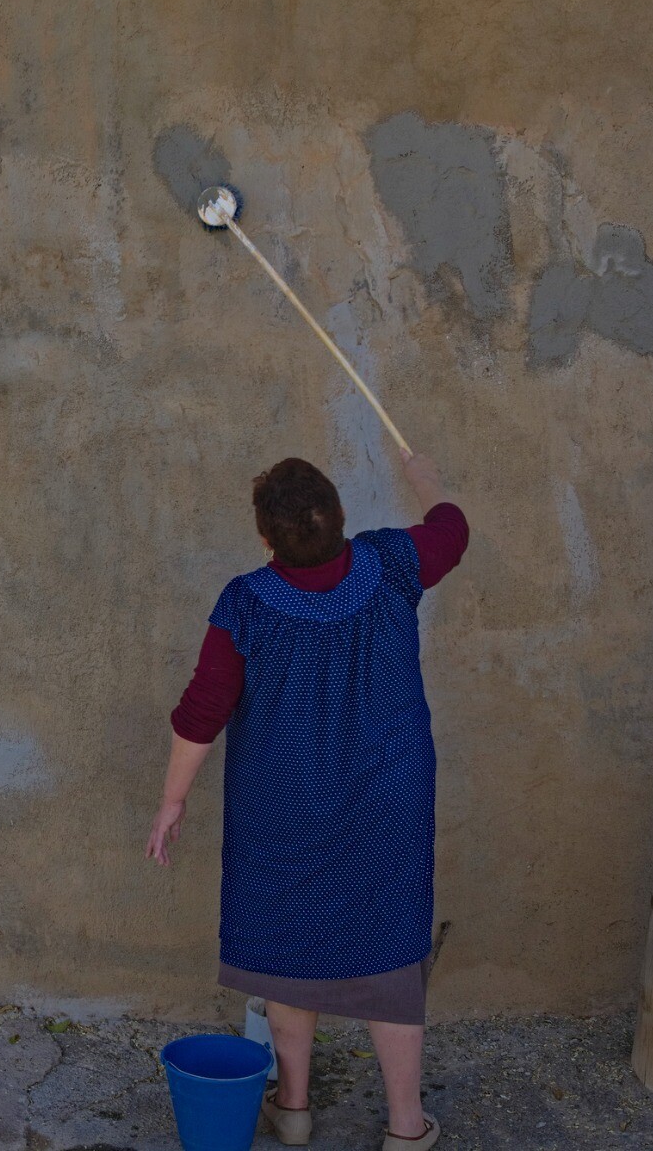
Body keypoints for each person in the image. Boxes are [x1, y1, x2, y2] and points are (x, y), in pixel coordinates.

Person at [146, 454, 467, 1151]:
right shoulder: (392, 563)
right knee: (388, 952)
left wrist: (171, 803)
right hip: (388, 797)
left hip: (280, 805)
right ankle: (406, 1128)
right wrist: (429, 482)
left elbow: (201, 712)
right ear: (340, 519)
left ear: (266, 538)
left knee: (286, 946)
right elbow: (452, 530)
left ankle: (292, 1108)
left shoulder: (244, 601)